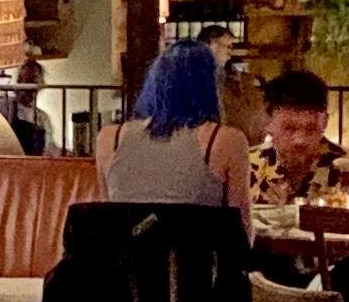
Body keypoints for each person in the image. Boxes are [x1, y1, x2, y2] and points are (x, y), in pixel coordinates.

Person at [95, 38, 251, 229]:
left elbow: (107, 221)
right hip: (196, 248)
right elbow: (241, 229)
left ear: (154, 81)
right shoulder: (225, 140)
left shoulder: (109, 138)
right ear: (212, 86)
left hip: (124, 248)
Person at [250, 68, 349, 204]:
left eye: (311, 129)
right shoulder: (245, 167)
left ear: (325, 122)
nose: (300, 140)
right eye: (289, 128)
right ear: (268, 122)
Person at [203, 26, 268, 143]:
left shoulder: (232, 78)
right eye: (228, 46)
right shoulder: (198, 80)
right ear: (213, 45)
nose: (230, 52)